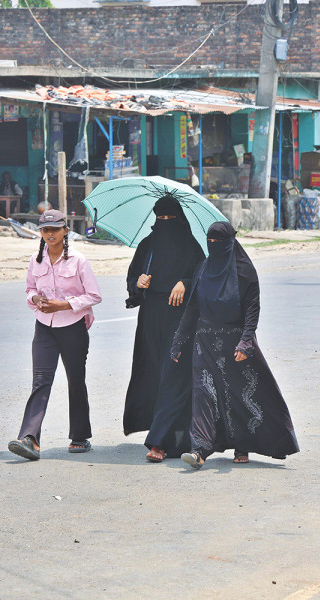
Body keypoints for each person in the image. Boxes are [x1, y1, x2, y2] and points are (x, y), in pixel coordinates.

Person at [170, 222, 299, 470]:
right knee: (203, 393)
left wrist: (246, 342)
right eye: (210, 242)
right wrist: (178, 341)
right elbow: (192, 309)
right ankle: (199, 450)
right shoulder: (203, 269)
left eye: (219, 242)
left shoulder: (244, 271)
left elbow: (252, 309)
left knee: (239, 395)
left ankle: (243, 445)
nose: (214, 247)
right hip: (204, 340)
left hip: (235, 341)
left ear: (230, 243)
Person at [8, 209, 102, 461]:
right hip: (44, 328)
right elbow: (29, 289)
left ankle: (80, 436)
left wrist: (63, 305)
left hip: (73, 327)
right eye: (45, 230)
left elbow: (94, 295)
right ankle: (29, 438)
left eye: (55, 229)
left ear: (65, 231)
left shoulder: (78, 260)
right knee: (40, 381)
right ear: (40, 232)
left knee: (75, 381)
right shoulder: (35, 260)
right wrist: (35, 298)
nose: (50, 234)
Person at [123, 195, 205, 462]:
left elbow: (204, 277)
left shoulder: (191, 246)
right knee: (154, 373)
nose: (166, 223)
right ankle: (168, 435)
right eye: (161, 218)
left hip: (181, 320)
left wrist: (185, 281)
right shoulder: (147, 246)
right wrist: (139, 282)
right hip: (151, 319)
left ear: (179, 219)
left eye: (171, 218)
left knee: (174, 374)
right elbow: (132, 278)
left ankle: (158, 441)